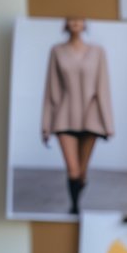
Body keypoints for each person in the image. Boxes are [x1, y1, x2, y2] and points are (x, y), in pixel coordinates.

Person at [41, 17, 113, 215]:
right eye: (71, 19)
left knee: (81, 172)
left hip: (91, 118)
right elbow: (50, 88)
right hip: (64, 116)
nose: (75, 22)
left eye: (79, 19)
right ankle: (74, 208)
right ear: (65, 23)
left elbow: (103, 88)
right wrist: (46, 124)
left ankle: (77, 197)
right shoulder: (57, 51)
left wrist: (108, 123)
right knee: (72, 170)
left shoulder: (97, 52)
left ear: (84, 23)